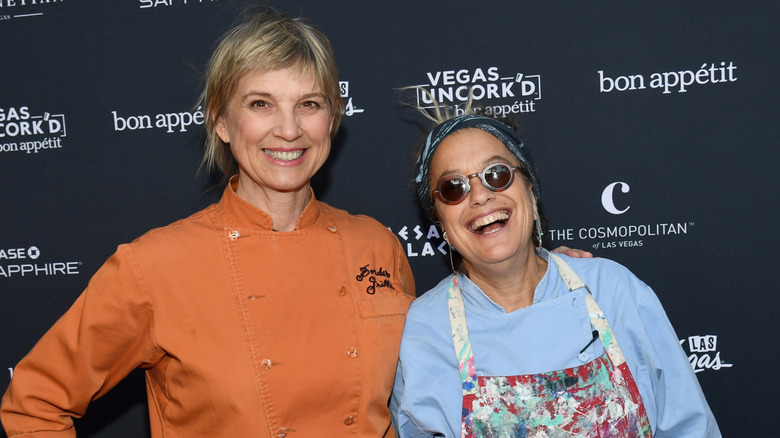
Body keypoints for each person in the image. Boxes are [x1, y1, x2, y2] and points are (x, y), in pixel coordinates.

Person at [0, 9, 416, 437]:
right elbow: (34, 405)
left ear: (332, 118)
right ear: (220, 121)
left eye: (309, 104)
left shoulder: (375, 244)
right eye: (260, 104)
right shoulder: (153, 266)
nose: (289, 129)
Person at [391, 111, 721, 437]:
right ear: (441, 225)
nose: (479, 196)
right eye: (453, 188)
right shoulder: (424, 330)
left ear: (531, 193)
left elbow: (690, 428)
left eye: (497, 174)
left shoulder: (613, 291)